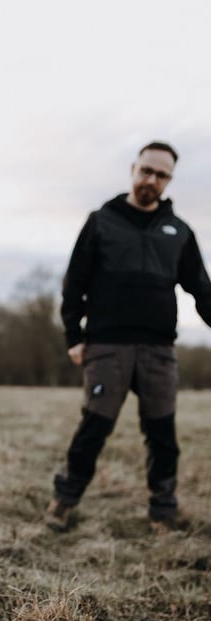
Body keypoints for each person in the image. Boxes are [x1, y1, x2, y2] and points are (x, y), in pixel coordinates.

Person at [46, 141, 211, 533]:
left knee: (162, 436)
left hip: (159, 351)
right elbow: (74, 286)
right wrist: (74, 336)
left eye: (161, 175)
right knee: (93, 430)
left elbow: (202, 291)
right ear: (133, 169)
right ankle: (63, 503)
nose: (151, 180)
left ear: (169, 180)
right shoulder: (101, 221)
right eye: (146, 170)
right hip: (107, 348)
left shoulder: (179, 232)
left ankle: (163, 514)